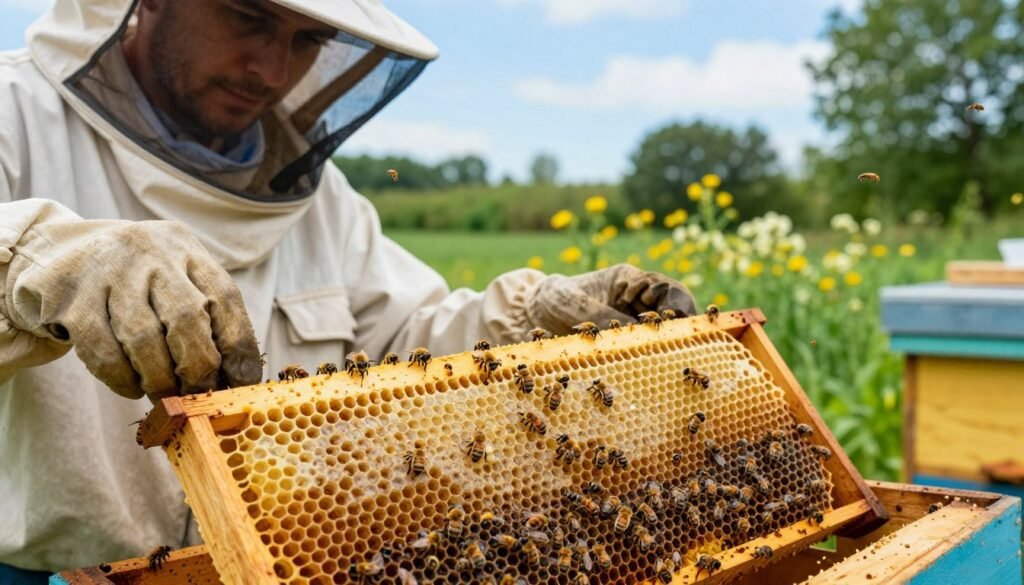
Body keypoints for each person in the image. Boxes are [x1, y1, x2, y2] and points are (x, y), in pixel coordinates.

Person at [0, 0, 696, 580]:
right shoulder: (15, 115)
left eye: (308, 40)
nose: (272, 69)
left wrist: (527, 319)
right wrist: (37, 254)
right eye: (247, 17)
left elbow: (405, 342)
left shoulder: (322, 203)